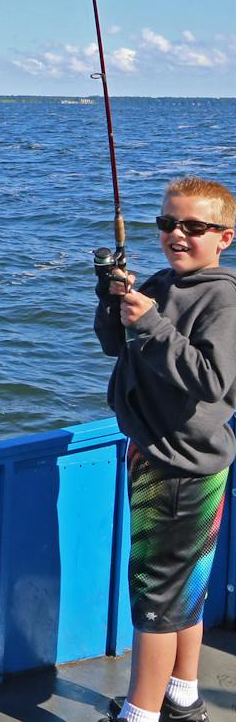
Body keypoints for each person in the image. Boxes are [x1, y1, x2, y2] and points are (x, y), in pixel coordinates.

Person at [96, 177, 236, 722]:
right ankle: (183, 695)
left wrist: (151, 323)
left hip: (178, 465)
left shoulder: (222, 297)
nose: (177, 234)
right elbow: (115, 344)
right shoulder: (159, 283)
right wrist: (112, 298)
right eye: (167, 224)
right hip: (164, 454)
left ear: (225, 236)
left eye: (194, 227)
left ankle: (140, 714)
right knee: (188, 588)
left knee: (156, 603)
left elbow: (213, 379)